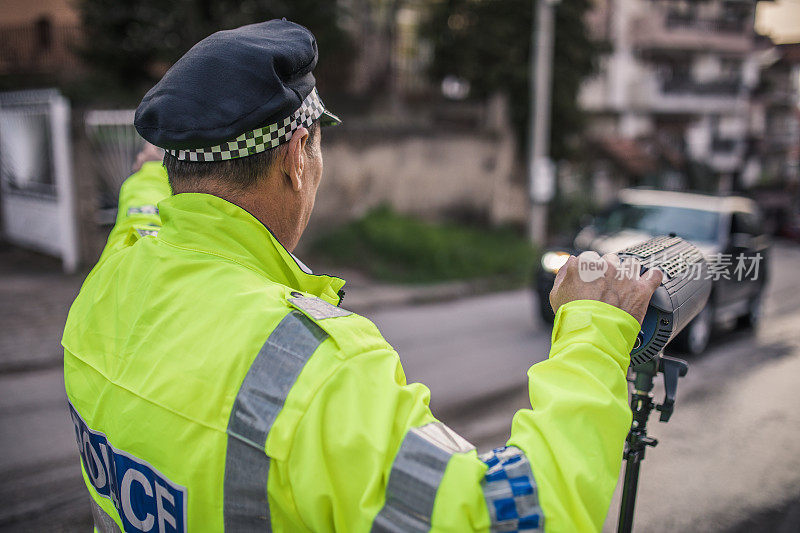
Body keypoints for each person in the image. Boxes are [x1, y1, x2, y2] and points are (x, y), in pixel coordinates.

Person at [63, 19, 662, 533]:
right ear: (298, 157)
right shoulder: (308, 366)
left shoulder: (112, 276)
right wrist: (595, 330)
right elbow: (510, 515)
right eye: (319, 148)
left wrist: (148, 175)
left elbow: (140, 212)